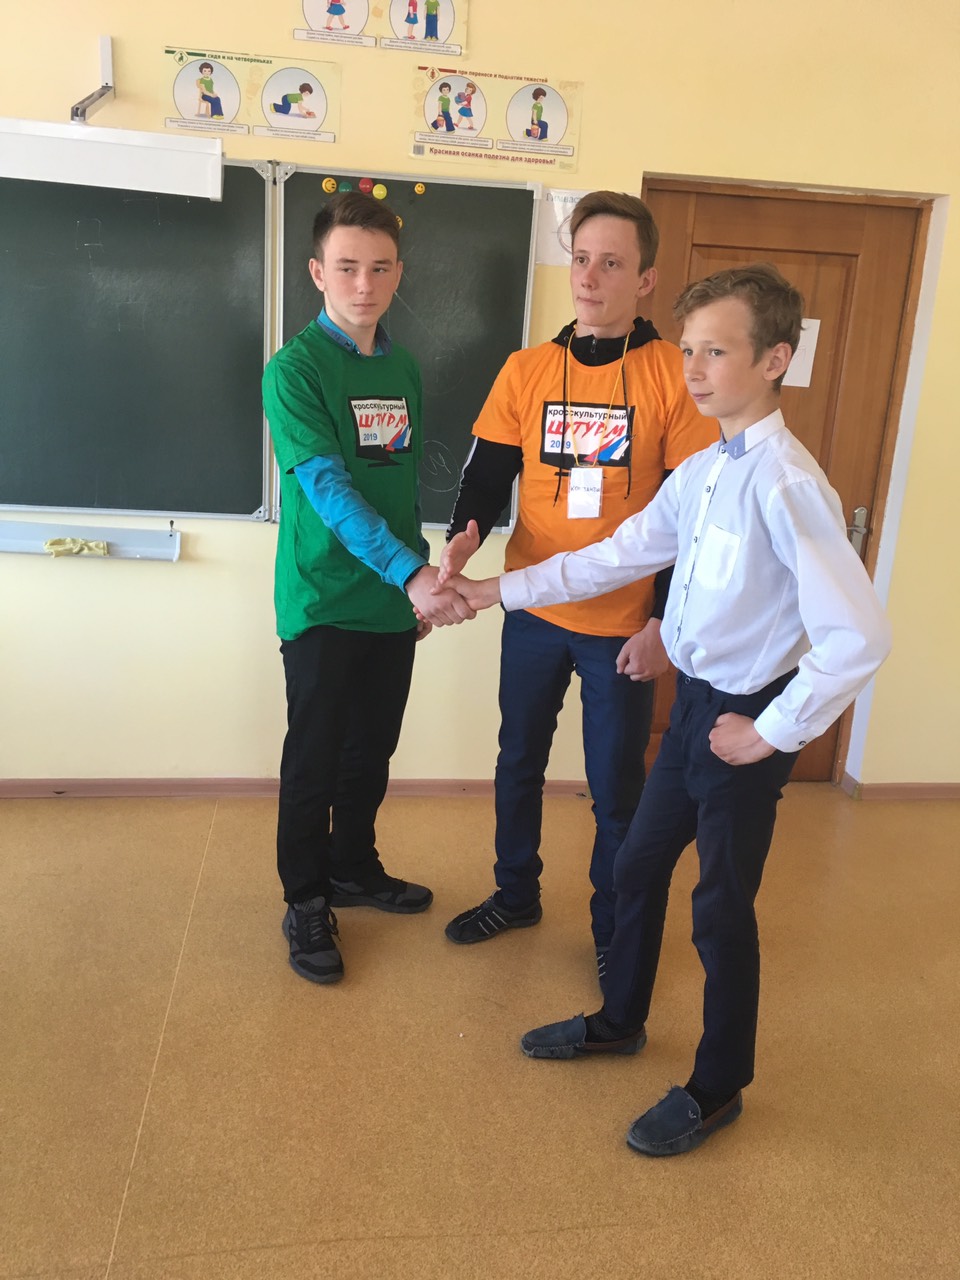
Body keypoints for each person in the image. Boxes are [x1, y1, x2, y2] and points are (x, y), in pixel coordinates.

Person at [447, 264, 892, 1156]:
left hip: (745, 723)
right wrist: (494, 591)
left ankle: (718, 1087)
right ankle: (619, 1021)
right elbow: (616, 555)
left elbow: (860, 637)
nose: (693, 369)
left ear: (775, 360)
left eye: (716, 352)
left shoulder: (787, 484)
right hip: (692, 709)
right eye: (688, 349)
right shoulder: (702, 471)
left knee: (720, 909)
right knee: (638, 866)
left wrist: (769, 732)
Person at [438, 192, 715, 969]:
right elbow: (485, 477)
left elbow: (691, 519)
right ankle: (515, 894)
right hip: (532, 609)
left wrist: (662, 624)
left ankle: (612, 929)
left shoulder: (674, 376)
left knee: (616, 788)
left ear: (646, 280)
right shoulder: (527, 369)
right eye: (582, 259)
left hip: (622, 626)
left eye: (612, 263)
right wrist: (462, 540)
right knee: (517, 762)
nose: (589, 278)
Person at [262, 191, 475, 985]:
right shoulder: (293, 370)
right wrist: (409, 574)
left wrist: (413, 579)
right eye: (347, 267)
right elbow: (329, 489)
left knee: (371, 751)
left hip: (390, 599)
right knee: (313, 759)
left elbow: (396, 487)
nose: (364, 284)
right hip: (322, 599)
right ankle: (306, 897)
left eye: (380, 268)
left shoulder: (403, 366)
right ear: (318, 272)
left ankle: (352, 866)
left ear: (398, 274)